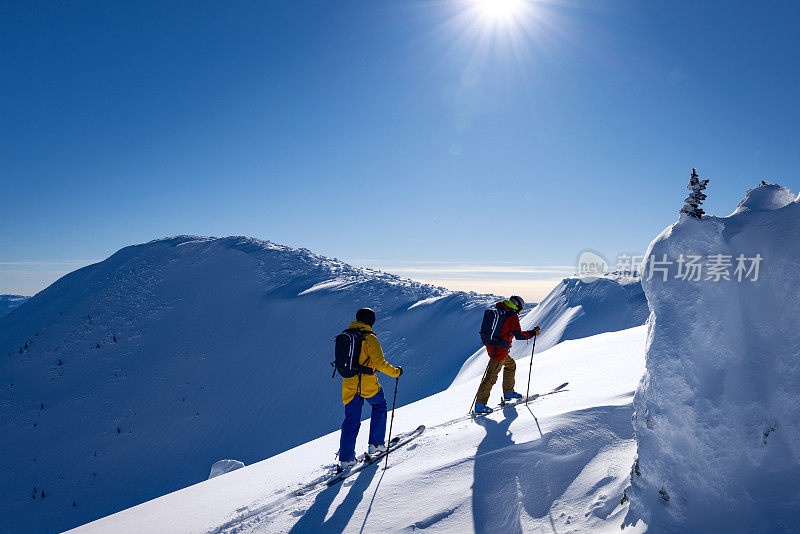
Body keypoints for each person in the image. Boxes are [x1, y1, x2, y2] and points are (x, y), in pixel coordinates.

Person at [338, 307, 403, 471]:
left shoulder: (347, 335)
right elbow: (380, 363)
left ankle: (346, 459)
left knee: (351, 419)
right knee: (379, 406)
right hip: (366, 383)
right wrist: (396, 372)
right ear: (371, 321)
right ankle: (376, 444)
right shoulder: (369, 338)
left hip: (348, 383)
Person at [473, 295, 540, 414]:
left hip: (494, 347)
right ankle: (480, 405)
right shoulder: (511, 315)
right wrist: (532, 333)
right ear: (518, 307)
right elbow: (518, 335)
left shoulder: (501, 310)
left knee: (511, 365)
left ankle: (508, 392)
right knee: (491, 377)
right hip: (499, 351)